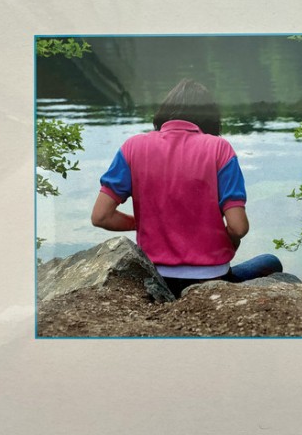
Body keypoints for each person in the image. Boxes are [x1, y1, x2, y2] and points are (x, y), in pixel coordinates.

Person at [91, 79, 282, 298]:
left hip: (156, 277)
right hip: (210, 278)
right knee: (271, 261)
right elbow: (238, 228)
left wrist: (143, 223)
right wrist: (230, 241)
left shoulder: (132, 147)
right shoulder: (220, 149)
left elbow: (101, 217)